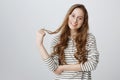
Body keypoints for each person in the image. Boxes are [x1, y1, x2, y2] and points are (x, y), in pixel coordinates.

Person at [36, 4, 99, 80]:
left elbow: (92, 64)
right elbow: (54, 69)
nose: (75, 21)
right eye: (73, 16)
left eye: (80, 18)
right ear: (68, 16)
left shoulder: (89, 38)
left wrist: (63, 67)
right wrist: (40, 45)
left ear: (83, 21)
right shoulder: (57, 40)